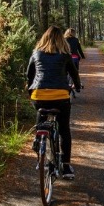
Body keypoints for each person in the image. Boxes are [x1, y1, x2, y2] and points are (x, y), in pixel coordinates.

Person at [26, 25, 81, 179]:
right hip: (60, 97)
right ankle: (66, 166)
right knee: (64, 130)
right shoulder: (65, 55)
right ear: (61, 40)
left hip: (39, 95)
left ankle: (38, 139)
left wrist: (31, 92)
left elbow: (29, 75)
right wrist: (76, 87)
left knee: (41, 115)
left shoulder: (36, 54)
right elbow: (74, 75)